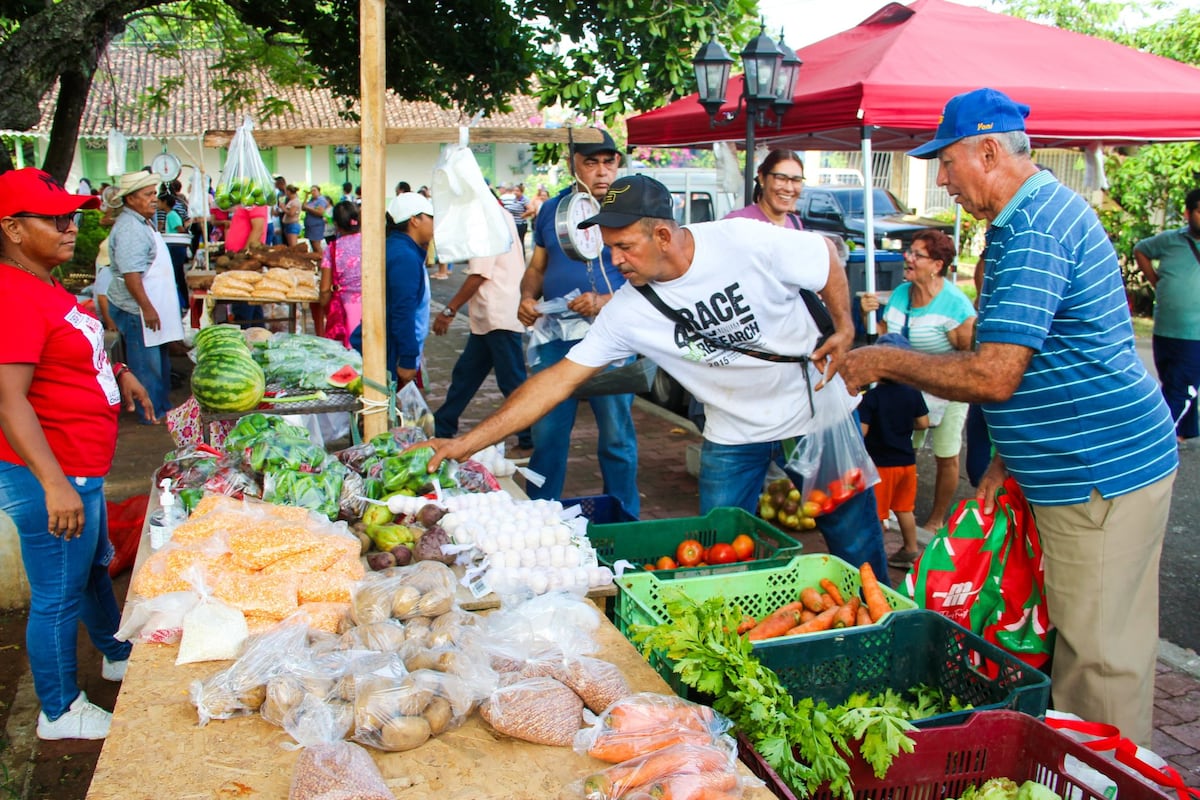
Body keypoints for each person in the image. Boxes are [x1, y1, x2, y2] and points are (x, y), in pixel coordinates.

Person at [837, 87, 1178, 745]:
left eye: (947, 160)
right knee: (1083, 637)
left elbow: (995, 373)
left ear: (988, 150)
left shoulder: (1034, 228)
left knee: (1100, 661)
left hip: (1098, 473)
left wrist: (884, 360)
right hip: (1080, 466)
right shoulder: (1035, 215)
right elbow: (1047, 351)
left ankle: (1103, 779)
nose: (940, 178)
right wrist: (1005, 457)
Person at [431, 174, 890, 579]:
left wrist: (845, 327)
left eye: (624, 246)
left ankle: (887, 629)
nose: (615, 261)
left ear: (664, 235)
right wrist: (464, 445)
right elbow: (558, 380)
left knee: (855, 542)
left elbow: (824, 255)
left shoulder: (743, 242)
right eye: (610, 248)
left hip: (814, 412)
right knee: (715, 557)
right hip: (733, 435)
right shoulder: (628, 311)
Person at [0, 167, 153, 740]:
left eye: (73, 216)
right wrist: (54, 484)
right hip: (50, 473)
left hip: (80, 466)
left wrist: (119, 372)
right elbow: (9, 401)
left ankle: (114, 651)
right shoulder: (12, 294)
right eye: (56, 218)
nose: (71, 228)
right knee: (57, 595)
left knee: (91, 567)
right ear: (13, 229)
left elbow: (68, 348)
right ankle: (59, 711)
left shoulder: (44, 282)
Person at [516, 129, 640, 516]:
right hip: (555, 337)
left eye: (609, 161)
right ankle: (539, 518)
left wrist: (605, 300)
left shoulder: (633, 209)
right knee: (548, 430)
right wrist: (526, 296)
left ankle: (624, 517)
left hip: (613, 337)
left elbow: (651, 277)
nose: (602, 172)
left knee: (617, 435)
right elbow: (537, 266)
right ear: (574, 165)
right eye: (591, 162)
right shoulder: (553, 210)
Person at [860, 229, 975, 532]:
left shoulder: (956, 305)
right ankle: (897, 508)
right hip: (906, 392)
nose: (907, 258)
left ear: (937, 264)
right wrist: (866, 317)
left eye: (916, 255)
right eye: (909, 252)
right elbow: (885, 340)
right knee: (900, 450)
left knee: (946, 454)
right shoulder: (901, 294)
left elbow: (970, 354)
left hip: (947, 391)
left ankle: (937, 519)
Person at [432, 195, 533, 452]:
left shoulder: (485, 220)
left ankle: (530, 434)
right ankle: (443, 424)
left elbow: (479, 274)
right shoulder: (502, 215)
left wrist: (449, 309)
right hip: (491, 314)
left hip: (498, 312)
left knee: (511, 381)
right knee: (466, 375)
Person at [106, 170, 184, 422]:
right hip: (136, 309)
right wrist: (147, 308)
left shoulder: (142, 222)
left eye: (154, 193)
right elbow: (131, 275)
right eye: (148, 194)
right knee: (146, 365)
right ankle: (149, 413)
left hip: (148, 307)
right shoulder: (130, 228)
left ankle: (160, 406)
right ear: (130, 199)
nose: (154, 199)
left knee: (158, 361)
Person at [1134, 189, 1200, 449]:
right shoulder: (1170, 240)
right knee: (1174, 382)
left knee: (1180, 389)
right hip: (1165, 328)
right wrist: (1156, 282)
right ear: (1187, 213)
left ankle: (1158, 441)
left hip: (1195, 334)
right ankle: (1187, 435)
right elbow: (1141, 250)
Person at [859, 334, 930, 567]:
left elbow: (862, 432)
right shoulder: (913, 392)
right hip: (907, 462)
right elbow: (923, 423)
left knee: (877, 514)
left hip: (881, 466)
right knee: (904, 509)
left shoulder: (872, 398)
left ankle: (875, 556)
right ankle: (911, 549)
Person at [351, 193, 432, 388]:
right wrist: (407, 358)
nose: (434, 224)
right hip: (389, 350)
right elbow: (402, 311)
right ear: (415, 220)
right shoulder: (404, 256)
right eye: (431, 218)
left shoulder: (397, 247)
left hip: (384, 343)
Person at [725, 149, 807, 227]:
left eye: (796, 180)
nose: (789, 188)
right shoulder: (735, 223)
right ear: (762, 178)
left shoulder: (795, 223)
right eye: (780, 178)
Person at [319, 200, 362, 348]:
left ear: (336, 225)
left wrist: (326, 308)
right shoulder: (372, 242)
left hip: (346, 310)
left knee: (350, 357)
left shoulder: (332, 249)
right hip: (375, 306)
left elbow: (325, 289)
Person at [501, 183, 530, 253]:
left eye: (517, 191)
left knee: (520, 242)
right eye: (514, 191)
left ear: (521, 192)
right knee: (515, 243)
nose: (515, 192)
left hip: (521, 224)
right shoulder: (515, 199)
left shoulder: (524, 199)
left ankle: (522, 258)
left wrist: (523, 215)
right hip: (515, 223)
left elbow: (531, 209)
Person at [303, 185, 330, 253]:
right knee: (313, 246)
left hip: (316, 226)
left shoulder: (321, 200)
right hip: (310, 226)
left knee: (316, 245)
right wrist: (306, 197)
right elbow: (303, 208)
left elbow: (320, 212)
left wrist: (308, 208)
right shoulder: (311, 200)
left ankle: (323, 260)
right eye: (311, 190)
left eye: (314, 190)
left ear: (319, 191)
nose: (312, 192)